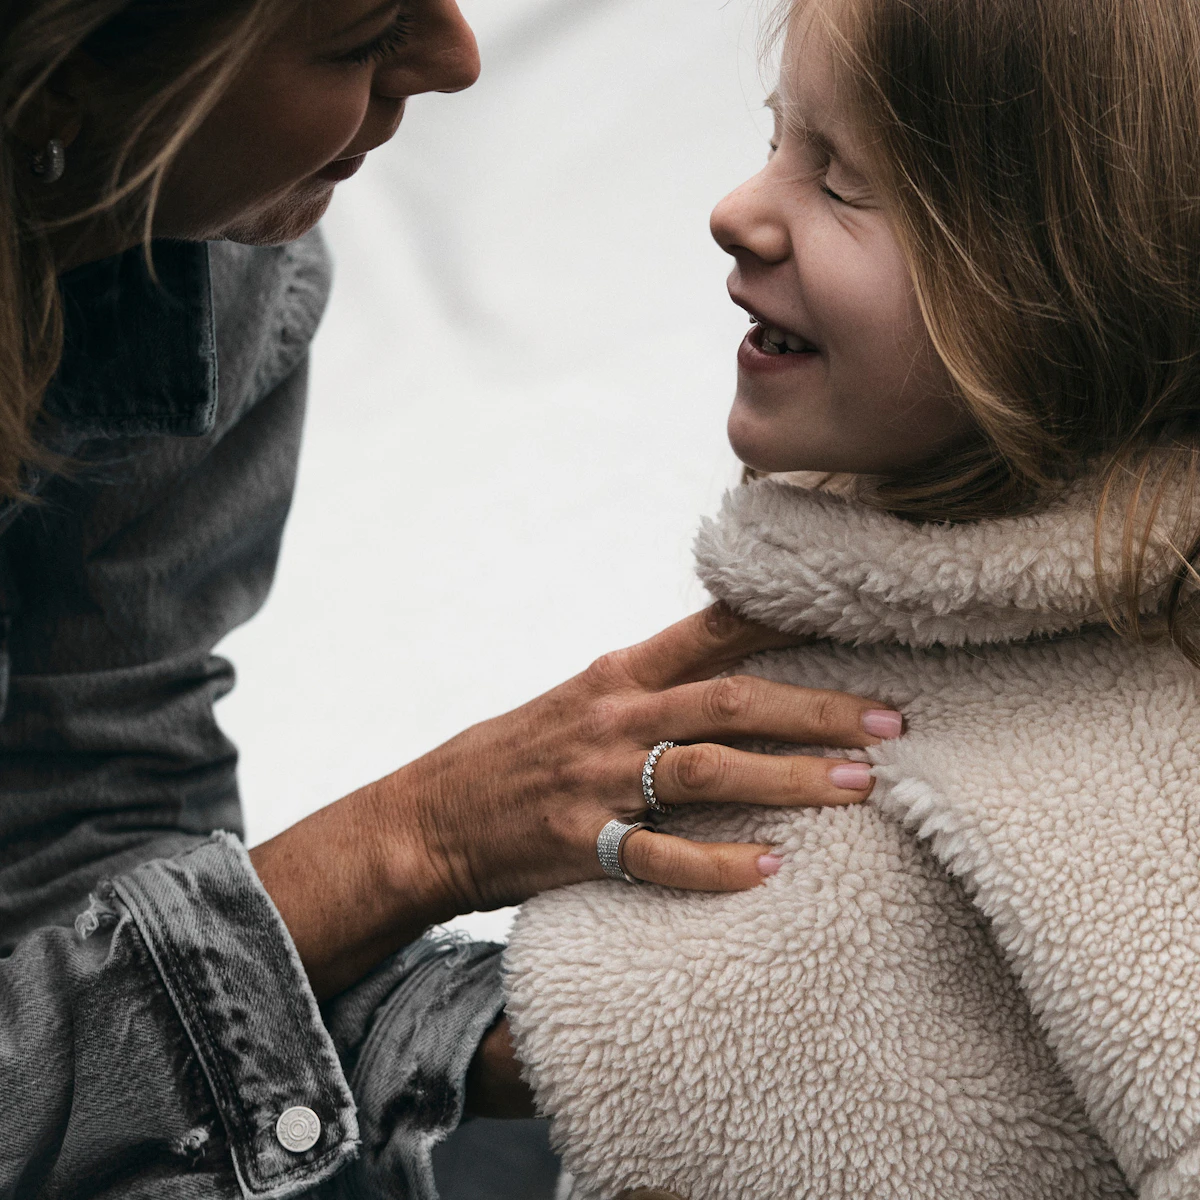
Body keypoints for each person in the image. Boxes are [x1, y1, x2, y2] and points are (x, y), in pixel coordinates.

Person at [0, 1, 908, 1196]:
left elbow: (88, 805)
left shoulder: (211, 259)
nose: (459, 59)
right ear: (54, 88)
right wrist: (411, 843)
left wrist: (499, 1034)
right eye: (360, 36)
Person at [504, 0, 1200, 1196]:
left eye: (842, 179)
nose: (737, 208)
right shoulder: (871, 627)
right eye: (780, 137)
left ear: (1059, 281)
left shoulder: (1141, 780)